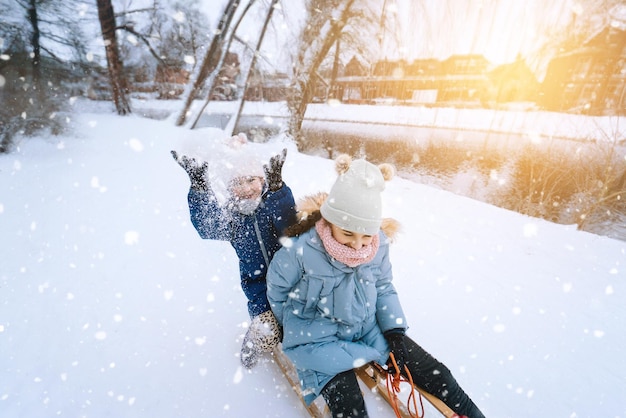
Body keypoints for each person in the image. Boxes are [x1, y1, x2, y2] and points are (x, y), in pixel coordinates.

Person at [267, 155, 485, 418]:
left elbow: (383, 285)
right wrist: (290, 326)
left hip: (366, 328)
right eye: (348, 233)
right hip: (316, 339)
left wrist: (393, 330)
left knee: (437, 374)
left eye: (366, 235)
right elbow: (277, 291)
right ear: (331, 221)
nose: (358, 245)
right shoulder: (301, 250)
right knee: (350, 408)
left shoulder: (378, 244)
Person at [172, 133, 297, 369]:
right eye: (238, 183)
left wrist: (278, 189)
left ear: (262, 179)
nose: (247, 188)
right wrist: (200, 187)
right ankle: (257, 337)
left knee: (300, 322)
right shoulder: (231, 218)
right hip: (260, 292)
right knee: (268, 332)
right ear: (229, 187)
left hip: (292, 285)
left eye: (252, 180)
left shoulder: (271, 205)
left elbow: (291, 225)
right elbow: (207, 227)